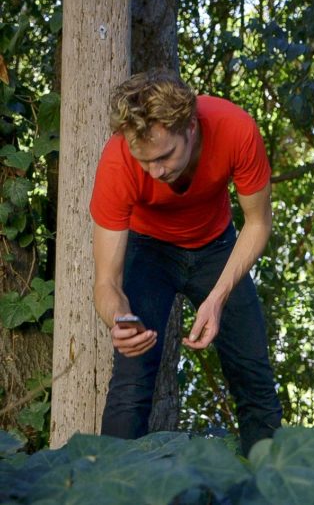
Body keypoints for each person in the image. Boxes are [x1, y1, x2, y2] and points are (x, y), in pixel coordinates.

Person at [90, 69, 282, 455]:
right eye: (145, 161)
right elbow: (106, 283)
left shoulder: (235, 129)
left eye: (164, 156)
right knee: (131, 382)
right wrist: (119, 320)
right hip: (148, 251)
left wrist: (217, 297)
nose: (155, 171)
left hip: (217, 247)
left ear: (191, 126)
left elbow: (258, 224)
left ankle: (269, 487)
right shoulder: (117, 162)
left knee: (254, 375)